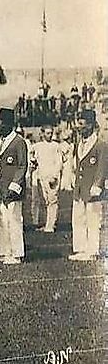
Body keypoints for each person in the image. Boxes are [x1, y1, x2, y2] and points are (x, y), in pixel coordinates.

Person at [0, 107, 28, 265]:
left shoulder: (18, 141)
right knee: (2, 220)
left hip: (12, 189)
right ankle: (4, 251)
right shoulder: (0, 141)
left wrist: (14, 187)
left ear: (9, 125)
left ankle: (17, 253)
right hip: (1, 188)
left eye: (1, 124)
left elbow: (22, 165)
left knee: (14, 220)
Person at [69, 110, 106, 261]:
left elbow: (102, 168)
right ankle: (80, 248)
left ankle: (92, 250)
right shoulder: (79, 143)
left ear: (90, 125)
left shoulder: (100, 145)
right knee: (78, 219)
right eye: (79, 124)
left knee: (93, 219)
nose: (79, 127)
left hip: (93, 189)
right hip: (80, 188)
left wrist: (97, 185)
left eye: (82, 124)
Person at [31, 125, 63, 233]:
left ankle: (51, 225)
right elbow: (33, 159)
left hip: (52, 177)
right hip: (42, 176)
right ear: (42, 133)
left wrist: (55, 176)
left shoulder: (56, 146)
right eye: (47, 133)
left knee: (52, 201)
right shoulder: (37, 146)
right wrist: (33, 164)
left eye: (51, 133)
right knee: (44, 201)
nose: (50, 135)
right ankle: (46, 223)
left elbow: (59, 162)